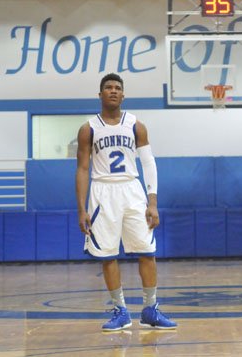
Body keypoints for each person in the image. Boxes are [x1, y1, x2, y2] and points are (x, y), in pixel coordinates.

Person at [75, 73, 176, 331]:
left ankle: (150, 308)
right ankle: (120, 311)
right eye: (108, 87)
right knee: (107, 254)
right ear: (100, 94)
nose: (113, 91)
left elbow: (149, 163)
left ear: (123, 94)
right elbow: (83, 169)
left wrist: (152, 202)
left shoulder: (136, 125)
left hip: (132, 189)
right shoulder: (89, 128)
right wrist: (82, 208)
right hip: (102, 191)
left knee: (147, 250)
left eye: (117, 88)